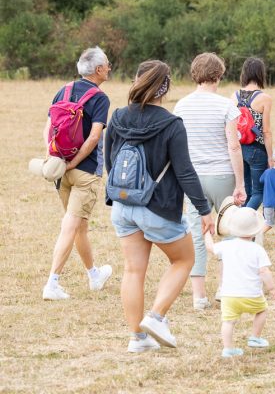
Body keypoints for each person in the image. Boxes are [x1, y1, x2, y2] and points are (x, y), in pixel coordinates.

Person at [105, 60, 214, 353]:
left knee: (132, 271)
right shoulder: (171, 124)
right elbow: (185, 172)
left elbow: (110, 162)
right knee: (183, 260)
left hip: (123, 205)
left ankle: (137, 339)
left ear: (137, 80)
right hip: (158, 207)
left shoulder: (117, 117)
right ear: (164, 88)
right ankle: (156, 317)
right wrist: (205, 210)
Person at [173, 53, 246, 311]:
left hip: (192, 178)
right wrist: (240, 183)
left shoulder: (180, 106)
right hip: (222, 174)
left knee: (197, 233)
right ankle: (224, 289)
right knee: (228, 232)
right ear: (218, 75)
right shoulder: (226, 106)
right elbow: (233, 146)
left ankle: (198, 296)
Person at [42, 46, 113, 301]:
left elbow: (49, 127)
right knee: (70, 227)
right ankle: (52, 282)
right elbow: (95, 136)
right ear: (98, 70)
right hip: (84, 172)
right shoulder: (100, 98)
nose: (109, 67)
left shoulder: (64, 90)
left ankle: (94, 275)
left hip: (61, 171)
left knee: (79, 225)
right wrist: (75, 163)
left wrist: (55, 159)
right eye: (107, 64)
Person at [204, 207, 275, 358]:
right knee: (262, 311)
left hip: (229, 295)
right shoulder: (257, 249)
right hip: (252, 294)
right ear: (255, 231)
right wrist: (272, 288)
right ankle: (255, 337)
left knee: (228, 322)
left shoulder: (226, 246)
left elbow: (210, 247)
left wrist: (206, 232)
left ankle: (228, 349)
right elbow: (264, 271)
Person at [233, 58, 274, 209]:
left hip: (238, 148)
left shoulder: (234, 96)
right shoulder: (264, 98)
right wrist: (270, 157)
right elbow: (266, 131)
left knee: (247, 192)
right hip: (257, 149)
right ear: (260, 73)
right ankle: (243, 225)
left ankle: (241, 226)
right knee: (258, 193)